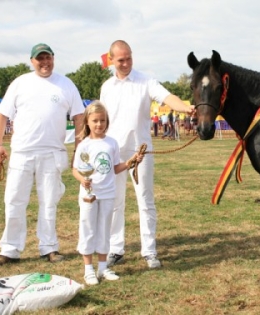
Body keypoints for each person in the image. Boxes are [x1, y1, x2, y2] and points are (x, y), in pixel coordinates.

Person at [100, 40, 194, 269]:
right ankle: (115, 248)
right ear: (111, 60)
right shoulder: (107, 87)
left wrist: (186, 107)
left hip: (140, 151)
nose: (126, 63)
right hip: (114, 153)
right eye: (121, 60)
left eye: (129, 58)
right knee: (114, 202)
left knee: (146, 201)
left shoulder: (145, 81)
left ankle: (149, 251)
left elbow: (166, 97)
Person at [0, 43, 84, 268]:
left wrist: (79, 149)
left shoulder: (66, 84)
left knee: (49, 201)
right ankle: (10, 249)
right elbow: (1, 115)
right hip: (22, 152)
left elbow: (79, 117)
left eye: (48, 58)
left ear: (53, 58)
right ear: (32, 61)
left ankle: (49, 247)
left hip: (52, 153)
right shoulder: (20, 83)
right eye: (39, 59)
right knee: (13, 200)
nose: (44, 63)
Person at [72, 101, 145, 285]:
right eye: (95, 120)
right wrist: (83, 180)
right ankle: (88, 269)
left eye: (102, 120)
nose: (99, 124)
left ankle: (103, 267)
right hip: (89, 195)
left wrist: (131, 161)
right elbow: (75, 169)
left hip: (107, 193)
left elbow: (113, 168)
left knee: (105, 230)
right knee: (88, 229)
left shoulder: (112, 143)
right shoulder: (84, 145)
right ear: (87, 122)